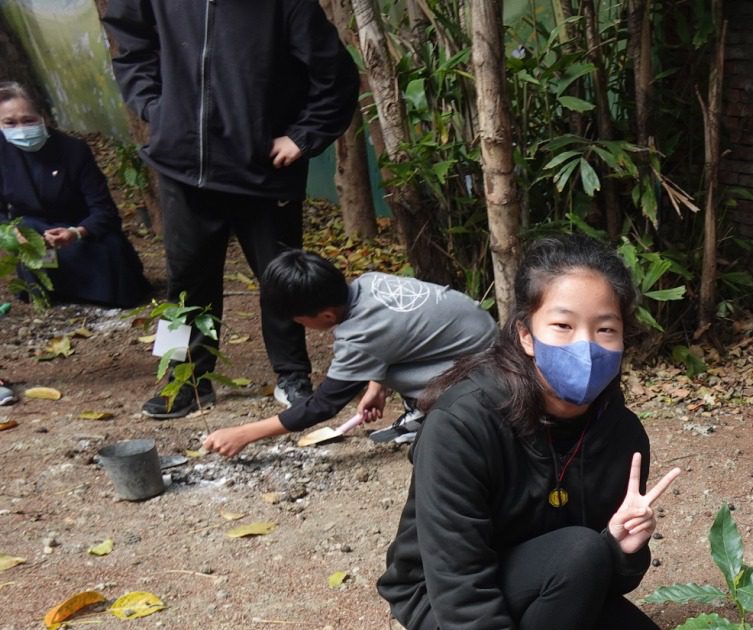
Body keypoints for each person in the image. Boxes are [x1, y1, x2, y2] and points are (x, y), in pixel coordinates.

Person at [379, 234, 704, 630]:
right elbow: (458, 585)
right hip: (445, 598)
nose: (587, 345)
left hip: (563, 581)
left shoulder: (620, 432)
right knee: (577, 552)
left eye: (606, 329)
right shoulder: (466, 422)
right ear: (526, 335)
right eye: (563, 326)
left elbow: (610, 574)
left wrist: (625, 547)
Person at [101, 0, 359, 420]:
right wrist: (154, 108)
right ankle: (181, 379)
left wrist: (304, 136)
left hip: (263, 172)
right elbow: (130, 46)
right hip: (182, 167)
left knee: (281, 278)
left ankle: (293, 375)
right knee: (182, 284)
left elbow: (337, 74)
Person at [202, 250, 496, 457]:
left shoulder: (359, 335)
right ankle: (427, 407)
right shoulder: (367, 283)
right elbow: (400, 334)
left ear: (327, 316)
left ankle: (443, 416)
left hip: (482, 370)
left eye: (299, 321)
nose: (299, 326)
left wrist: (244, 433)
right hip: (480, 338)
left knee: (371, 373)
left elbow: (323, 404)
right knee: (375, 372)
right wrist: (376, 385)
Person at [0, 81, 151, 308]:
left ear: (43, 116)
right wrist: (13, 233)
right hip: (35, 237)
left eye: (28, 120)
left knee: (114, 264)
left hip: (81, 233)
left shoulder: (73, 150)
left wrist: (76, 233)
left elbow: (105, 211)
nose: (20, 129)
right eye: (10, 123)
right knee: (32, 236)